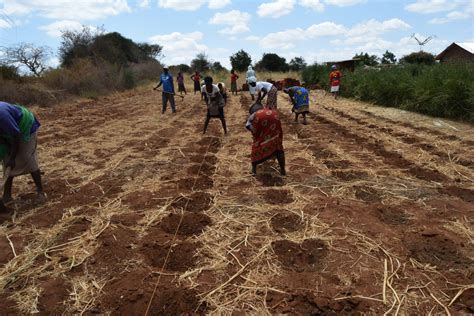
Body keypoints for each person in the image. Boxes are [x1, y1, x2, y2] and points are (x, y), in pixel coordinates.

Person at [0, 101, 45, 211]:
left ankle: (40, 192)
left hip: (25, 127)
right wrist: (7, 149)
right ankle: (6, 195)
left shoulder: (2, 115)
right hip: (7, 131)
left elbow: (16, 134)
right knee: (6, 160)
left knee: (27, 157)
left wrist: (12, 157)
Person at [245, 102, 285, 176]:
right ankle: (283, 171)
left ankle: (254, 171)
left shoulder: (254, 114)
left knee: (255, 147)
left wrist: (256, 136)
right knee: (278, 147)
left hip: (261, 126)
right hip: (275, 125)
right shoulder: (272, 111)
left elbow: (251, 127)